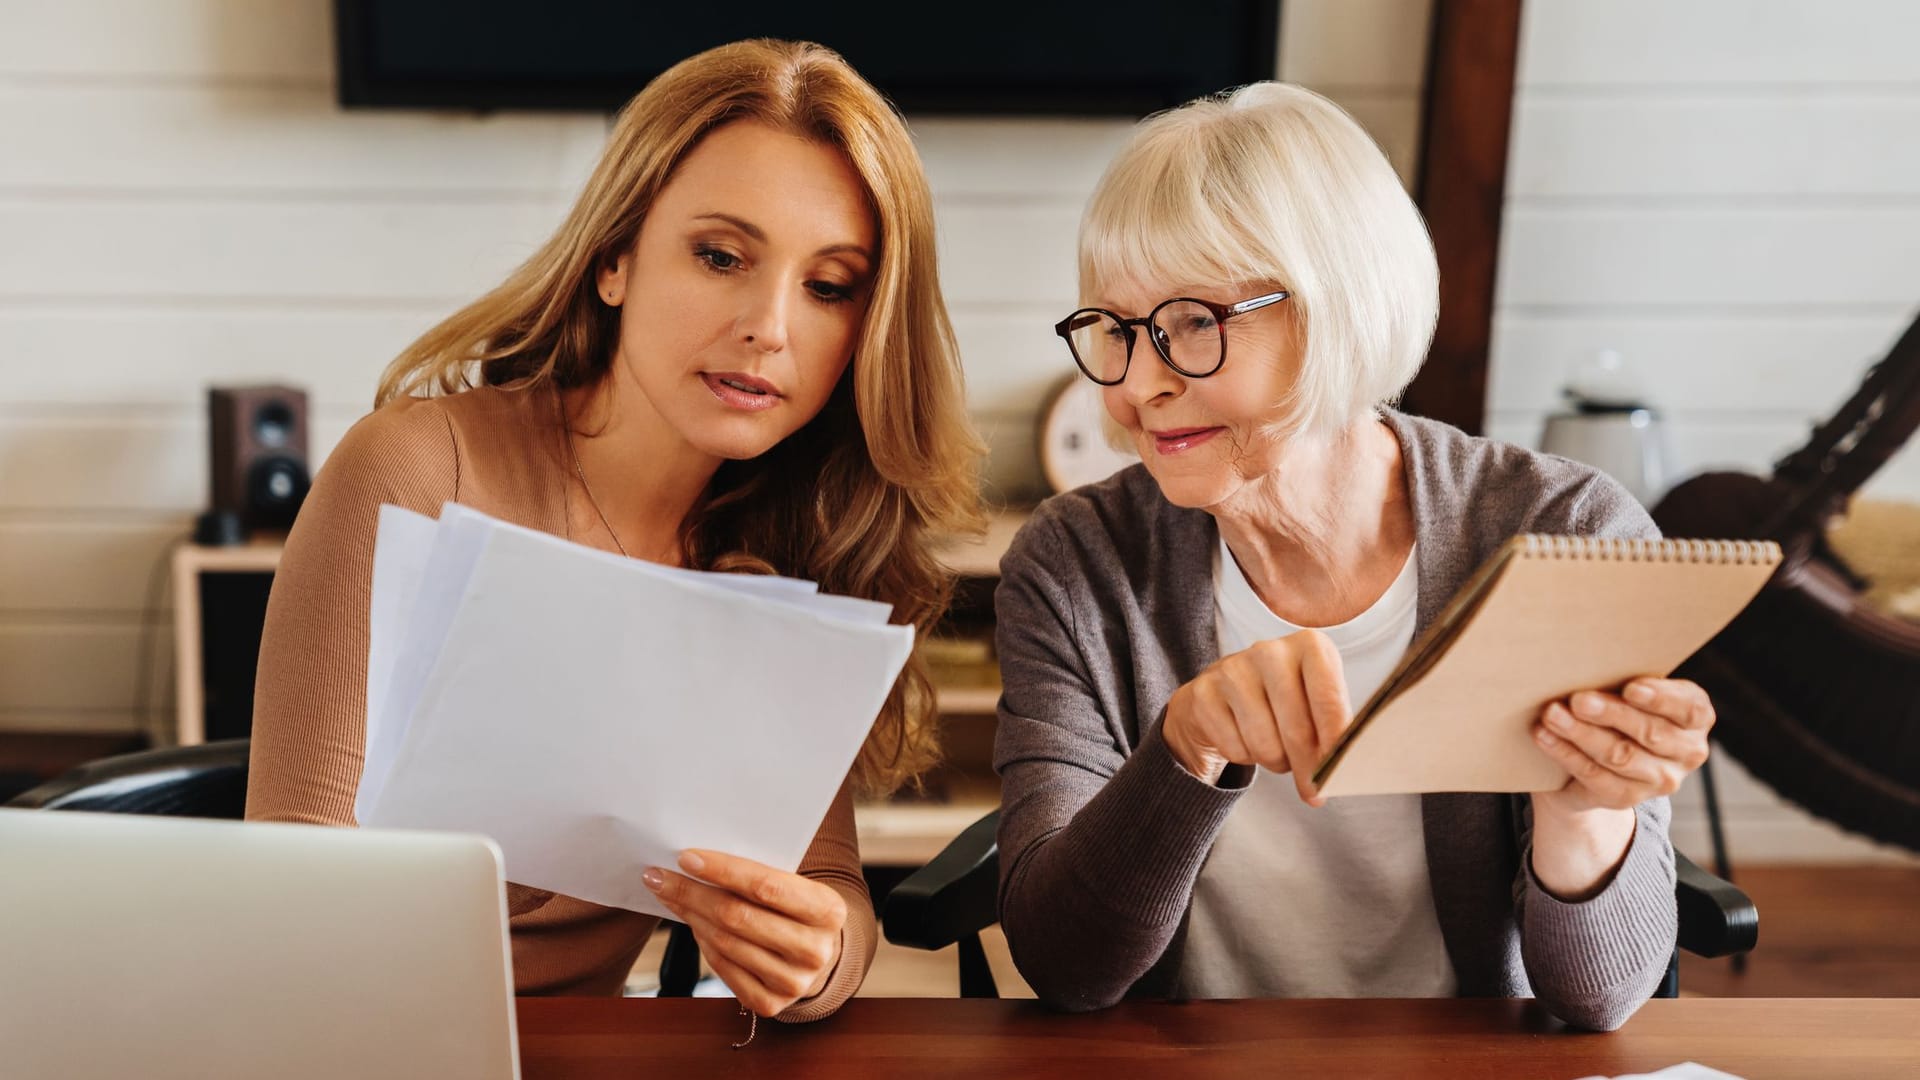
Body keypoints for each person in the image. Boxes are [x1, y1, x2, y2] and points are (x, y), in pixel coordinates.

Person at [246, 39, 982, 1021]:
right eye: (721, 257)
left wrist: (811, 956)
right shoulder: (421, 470)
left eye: (830, 284)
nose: (770, 326)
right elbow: (293, 893)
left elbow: (836, 896)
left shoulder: (792, 540)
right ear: (613, 260)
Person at [993, 82, 1710, 1031]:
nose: (1139, 384)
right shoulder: (1078, 562)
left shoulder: (1566, 534)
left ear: (1338, 306)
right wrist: (1186, 748)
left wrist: (1585, 812)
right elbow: (1065, 966)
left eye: (1195, 324)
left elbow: (1597, 1003)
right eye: (1116, 331)